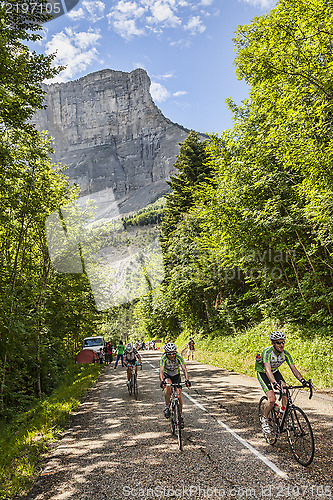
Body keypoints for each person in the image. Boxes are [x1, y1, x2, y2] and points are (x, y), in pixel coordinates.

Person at [255, 331, 310, 434]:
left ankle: (283, 413)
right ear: (273, 343)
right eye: (278, 342)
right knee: (272, 399)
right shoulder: (267, 352)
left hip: (275, 371)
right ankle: (265, 420)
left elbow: (294, 369)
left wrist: (303, 381)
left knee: (285, 391)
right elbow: (267, 370)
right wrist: (274, 383)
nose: (281, 345)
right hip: (263, 372)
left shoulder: (285, 354)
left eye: (283, 342)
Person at [159, 342, 191, 429]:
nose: (172, 355)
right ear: (166, 353)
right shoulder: (164, 358)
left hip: (176, 376)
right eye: (169, 354)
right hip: (167, 375)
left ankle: (180, 416)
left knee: (179, 395)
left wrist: (187, 379)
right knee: (168, 385)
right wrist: (162, 381)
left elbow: (184, 369)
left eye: (173, 353)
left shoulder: (178, 357)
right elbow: (161, 371)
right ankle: (166, 406)